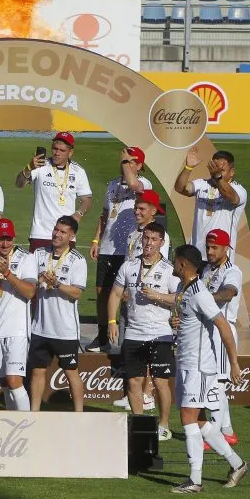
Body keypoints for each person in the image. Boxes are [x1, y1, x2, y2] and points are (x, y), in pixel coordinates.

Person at [146, 244, 247, 493]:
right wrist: (177, 321)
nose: (173, 264)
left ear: (182, 264)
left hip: (200, 366)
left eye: (175, 261)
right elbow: (191, 319)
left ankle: (195, 480)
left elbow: (223, 326)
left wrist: (233, 363)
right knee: (199, 420)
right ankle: (237, 463)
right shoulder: (184, 289)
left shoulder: (200, 293)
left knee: (188, 418)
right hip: (186, 363)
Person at [107, 222, 178, 441]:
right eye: (146, 238)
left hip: (160, 334)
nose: (148, 243)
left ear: (161, 243)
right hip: (134, 333)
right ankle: (139, 422)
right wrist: (111, 321)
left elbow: (179, 299)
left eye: (153, 239)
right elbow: (116, 294)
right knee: (134, 381)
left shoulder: (170, 270)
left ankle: (164, 424)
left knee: (160, 382)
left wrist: (157, 296)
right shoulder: (128, 266)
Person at [86, 147, 149, 353]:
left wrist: (124, 164)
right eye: (124, 160)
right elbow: (105, 213)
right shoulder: (113, 184)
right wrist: (96, 239)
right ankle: (102, 335)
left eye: (131, 161)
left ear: (139, 165)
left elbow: (133, 184)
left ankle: (126, 335)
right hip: (107, 247)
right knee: (101, 292)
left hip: (128, 249)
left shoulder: (144, 184)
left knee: (125, 294)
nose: (125, 164)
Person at [29, 216, 88, 412]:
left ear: (72, 236)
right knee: (37, 372)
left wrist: (57, 284)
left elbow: (77, 293)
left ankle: (79, 414)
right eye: (56, 229)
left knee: (72, 372)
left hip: (65, 330)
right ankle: (34, 414)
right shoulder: (38, 254)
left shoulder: (77, 260)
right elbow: (28, 281)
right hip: (40, 326)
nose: (56, 234)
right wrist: (38, 279)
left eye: (63, 232)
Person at [0, 219, 36, 411]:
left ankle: (26, 425)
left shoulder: (26, 259)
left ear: (14, 237)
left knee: (14, 381)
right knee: (4, 382)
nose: (4, 244)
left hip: (17, 329)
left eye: (7, 239)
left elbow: (30, 292)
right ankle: (12, 422)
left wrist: (7, 273)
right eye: (0, 239)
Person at [201, 229, 244, 446]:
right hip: (209, 331)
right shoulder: (207, 268)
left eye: (214, 247)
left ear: (226, 248)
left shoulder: (232, 270)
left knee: (217, 383)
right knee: (215, 382)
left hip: (222, 332)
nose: (209, 251)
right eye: (208, 246)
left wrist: (206, 300)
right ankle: (227, 431)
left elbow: (229, 293)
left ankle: (216, 434)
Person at [15, 131, 92, 252]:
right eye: (55, 149)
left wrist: (78, 214)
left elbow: (86, 200)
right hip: (40, 234)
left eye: (62, 150)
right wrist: (28, 167)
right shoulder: (41, 165)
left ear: (70, 152)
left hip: (66, 235)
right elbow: (19, 184)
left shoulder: (78, 171)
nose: (57, 153)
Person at [174, 148, 247, 253]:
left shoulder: (239, 190)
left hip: (220, 255)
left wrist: (218, 177)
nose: (215, 173)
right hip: (196, 253)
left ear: (232, 172)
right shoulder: (202, 184)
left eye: (221, 171)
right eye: (214, 169)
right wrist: (188, 167)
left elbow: (230, 197)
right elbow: (180, 188)